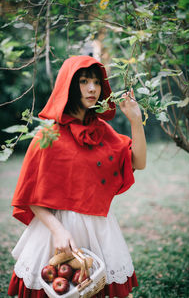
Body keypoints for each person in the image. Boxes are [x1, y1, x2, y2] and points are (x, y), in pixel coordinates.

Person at [8, 55, 146, 298]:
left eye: (96, 82)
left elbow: (139, 162)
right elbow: (30, 195)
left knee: (98, 288)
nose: (92, 88)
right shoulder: (48, 135)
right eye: (83, 81)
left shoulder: (103, 131)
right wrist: (58, 231)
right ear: (69, 85)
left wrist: (136, 119)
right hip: (56, 230)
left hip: (99, 229)